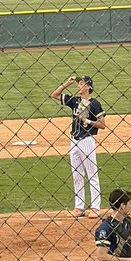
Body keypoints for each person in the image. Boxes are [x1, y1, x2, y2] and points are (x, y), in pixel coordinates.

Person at [50, 74, 105, 216]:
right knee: (77, 175)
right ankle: (79, 207)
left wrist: (87, 121)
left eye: (81, 84)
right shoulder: (75, 101)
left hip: (87, 140)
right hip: (73, 140)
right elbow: (54, 95)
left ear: (88, 86)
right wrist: (67, 82)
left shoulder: (95, 104)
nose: (79, 86)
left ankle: (95, 207)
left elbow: (102, 124)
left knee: (92, 174)